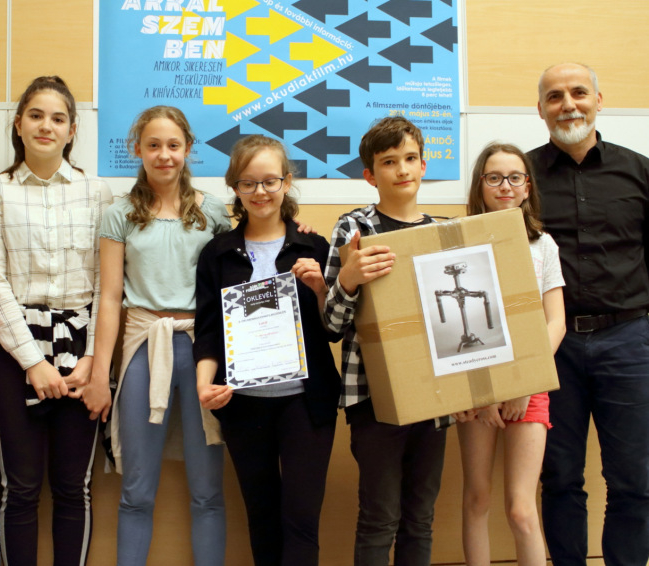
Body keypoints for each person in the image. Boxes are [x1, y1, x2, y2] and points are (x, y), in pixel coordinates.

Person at [0, 76, 112, 566]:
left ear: (72, 130)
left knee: (74, 486)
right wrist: (33, 362)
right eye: (35, 115)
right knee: (20, 487)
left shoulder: (97, 191)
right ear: (18, 124)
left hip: (82, 343)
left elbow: (107, 285)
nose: (46, 126)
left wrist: (93, 360)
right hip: (15, 345)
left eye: (58, 118)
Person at [193, 134, 341, 566]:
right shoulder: (217, 254)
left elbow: (335, 330)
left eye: (270, 181)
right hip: (243, 404)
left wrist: (320, 288)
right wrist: (204, 385)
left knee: (301, 521)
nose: (260, 192)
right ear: (235, 188)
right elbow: (208, 331)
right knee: (261, 519)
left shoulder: (314, 247)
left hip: (306, 403)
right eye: (248, 183)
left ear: (287, 182)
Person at [91, 105, 229, 566]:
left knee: (207, 489)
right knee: (136, 489)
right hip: (143, 344)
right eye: (153, 145)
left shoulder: (213, 211)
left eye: (173, 145)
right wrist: (99, 375)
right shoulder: (120, 214)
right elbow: (110, 297)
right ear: (138, 149)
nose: (164, 155)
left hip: (202, 348)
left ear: (188, 149)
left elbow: (243, 266)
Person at [529, 62, 649, 565]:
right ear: (540, 109)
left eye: (579, 92)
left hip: (629, 341)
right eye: (555, 96)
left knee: (634, 479)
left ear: (599, 100)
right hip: (551, 347)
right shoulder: (523, 178)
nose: (568, 105)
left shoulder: (639, 171)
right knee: (559, 477)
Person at [322, 116, 447, 566]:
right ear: (370, 175)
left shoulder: (444, 232)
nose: (402, 169)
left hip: (437, 395)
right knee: (380, 518)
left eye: (410, 158)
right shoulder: (354, 229)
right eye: (389, 162)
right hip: (372, 396)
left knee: (420, 518)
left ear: (423, 165)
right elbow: (332, 326)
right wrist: (349, 280)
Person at [455, 143, 565, 566]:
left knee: (521, 510)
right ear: (480, 185)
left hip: (529, 385)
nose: (505, 186)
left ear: (527, 186)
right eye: (494, 177)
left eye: (515, 177)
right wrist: (483, 392)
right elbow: (456, 325)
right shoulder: (459, 241)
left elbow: (555, 322)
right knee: (477, 497)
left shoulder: (543, 245)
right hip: (475, 386)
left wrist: (524, 383)